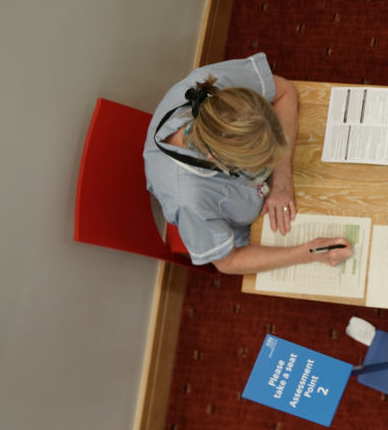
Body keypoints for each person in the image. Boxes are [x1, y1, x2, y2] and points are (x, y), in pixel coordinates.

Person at [144, 53, 352, 273]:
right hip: (247, 228)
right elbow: (228, 262)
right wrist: (309, 252)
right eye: (260, 164)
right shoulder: (188, 200)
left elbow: (284, 92)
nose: (270, 164)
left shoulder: (216, 87)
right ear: (218, 162)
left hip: (272, 193)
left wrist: (281, 178)